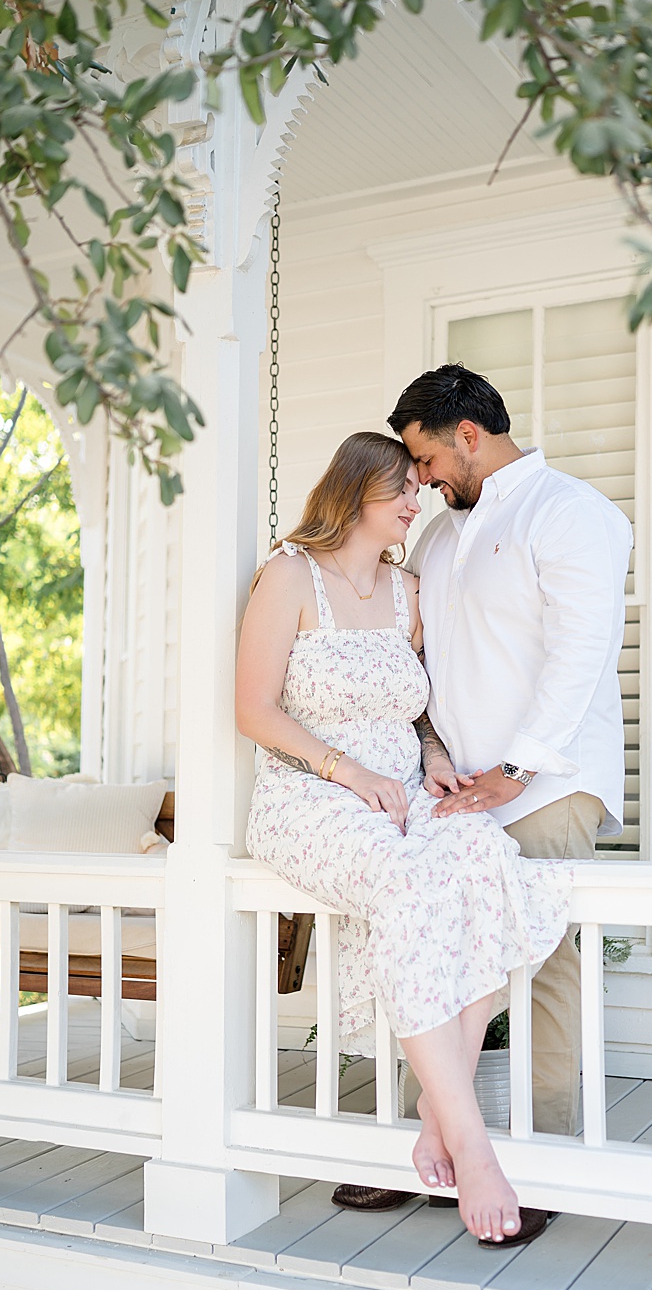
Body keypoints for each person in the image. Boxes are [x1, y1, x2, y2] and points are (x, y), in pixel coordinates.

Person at [237, 431, 572, 1246]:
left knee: (486, 858)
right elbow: (252, 710)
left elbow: (417, 706)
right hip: (311, 793)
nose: (416, 504)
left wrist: (431, 759)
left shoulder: (406, 592)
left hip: (404, 790)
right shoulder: (288, 576)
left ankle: (435, 1107)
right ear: (357, 492)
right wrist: (350, 773)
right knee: (409, 883)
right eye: (403, 492)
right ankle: (473, 1147)